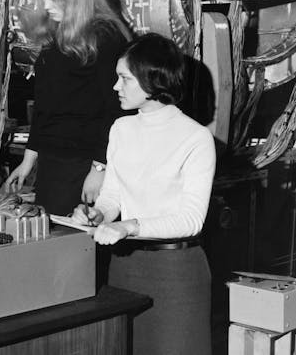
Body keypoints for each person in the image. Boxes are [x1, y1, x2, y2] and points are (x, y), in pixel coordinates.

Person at [72, 33, 215, 355]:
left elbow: (191, 220)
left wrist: (128, 226)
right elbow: (112, 197)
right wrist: (98, 214)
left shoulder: (195, 138)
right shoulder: (121, 129)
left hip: (177, 273)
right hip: (125, 267)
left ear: (153, 79)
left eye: (124, 78)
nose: (115, 87)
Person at [3, 0, 131, 214]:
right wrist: (29, 159)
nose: (47, 6)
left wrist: (99, 168)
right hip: (54, 159)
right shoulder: (61, 33)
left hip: (83, 161)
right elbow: (45, 105)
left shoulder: (106, 36)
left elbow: (116, 111)